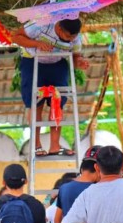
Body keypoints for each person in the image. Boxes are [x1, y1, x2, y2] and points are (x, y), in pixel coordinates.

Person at [12, 18, 89, 156]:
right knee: (36, 104)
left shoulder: (75, 37)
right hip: (33, 62)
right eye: (68, 36)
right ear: (59, 28)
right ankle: (36, 146)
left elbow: (75, 57)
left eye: (74, 36)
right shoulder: (40, 24)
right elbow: (16, 37)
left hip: (57, 63)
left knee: (57, 102)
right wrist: (37, 44)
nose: (71, 39)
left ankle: (55, 146)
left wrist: (79, 62)